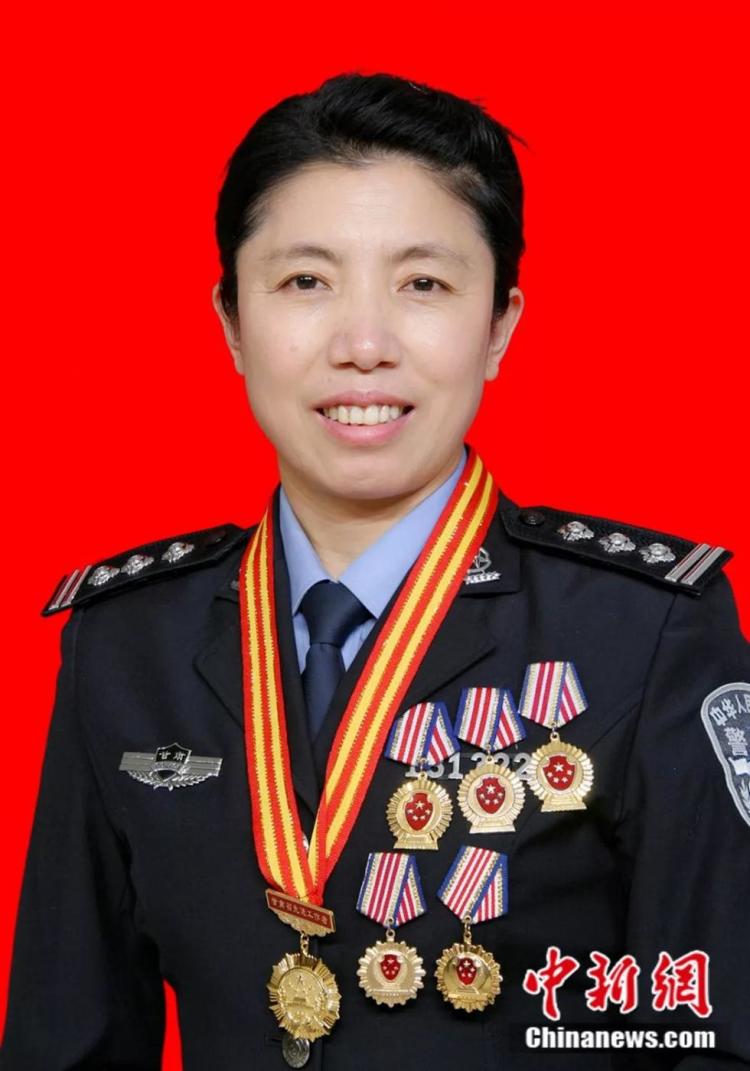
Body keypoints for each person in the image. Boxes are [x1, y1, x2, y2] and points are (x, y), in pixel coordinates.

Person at [1, 71, 748, 1071]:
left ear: (499, 326)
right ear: (231, 321)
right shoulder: (128, 641)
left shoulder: (645, 631)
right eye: (306, 282)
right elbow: (65, 1041)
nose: (363, 346)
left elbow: (720, 1040)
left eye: (423, 285)